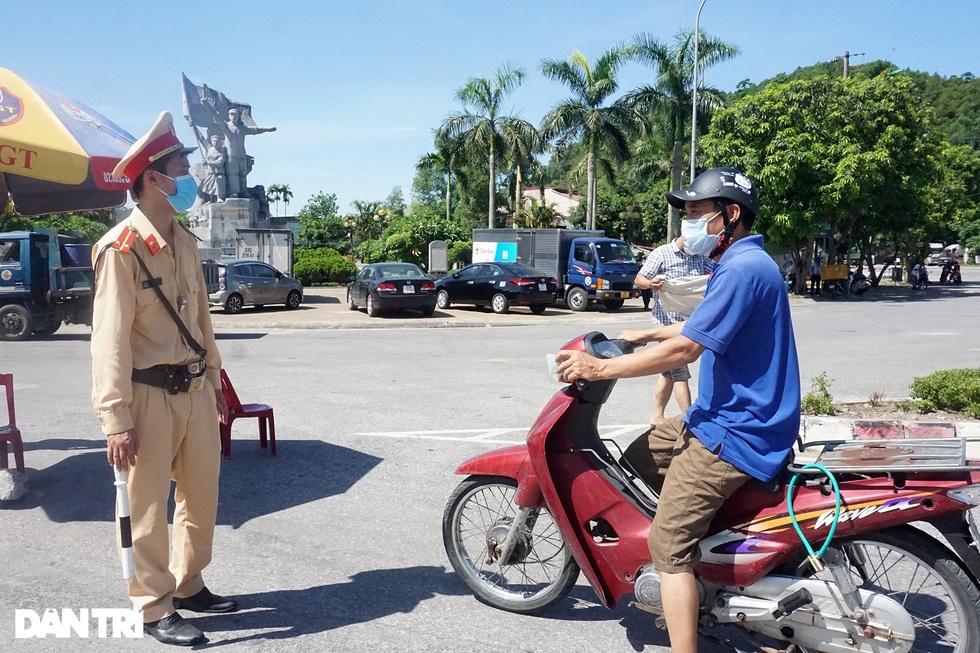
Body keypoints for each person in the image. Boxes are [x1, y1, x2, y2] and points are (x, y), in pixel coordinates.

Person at [556, 167, 801, 653]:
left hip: (735, 433)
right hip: (718, 417)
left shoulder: (741, 268)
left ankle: (682, 599)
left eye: (694, 214)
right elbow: (700, 327)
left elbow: (685, 351)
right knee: (642, 455)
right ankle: (711, 556)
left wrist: (598, 370)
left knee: (665, 546)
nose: (685, 225)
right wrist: (638, 335)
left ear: (729, 216)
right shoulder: (743, 262)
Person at [92, 111, 235, 647]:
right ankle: (153, 607)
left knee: (201, 497)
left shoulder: (185, 241)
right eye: (181, 165)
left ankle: (189, 583)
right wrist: (115, 418)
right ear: (154, 177)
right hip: (147, 393)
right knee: (148, 507)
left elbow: (201, 320)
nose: (189, 174)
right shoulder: (121, 248)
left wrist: (217, 381)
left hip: (195, 389)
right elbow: (107, 339)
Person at [633, 235, 713, 426]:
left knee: (668, 371)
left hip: (689, 324)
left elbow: (715, 275)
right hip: (665, 324)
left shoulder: (700, 257)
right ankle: (691, 419)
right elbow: (640, 279)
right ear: (684, 236)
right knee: (679, 370)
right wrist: (651, 284)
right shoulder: (662, 253)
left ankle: (656, 415)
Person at [212, 106, 276, 198]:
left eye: (235, 115)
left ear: (238, 116)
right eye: (231, 114)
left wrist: (268, 129)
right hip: (231, 155)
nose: (233, 116)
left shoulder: (242, 128)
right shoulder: (226, 127)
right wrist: (206, 104)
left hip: (241, 154)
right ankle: (234, 192)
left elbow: (255, 130)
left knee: (243, 174)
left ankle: (244, 191)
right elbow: (217, 117)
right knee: (233, 175)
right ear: (229, 116)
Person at [200, 133, 227, 203]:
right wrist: (193, 127)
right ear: (212, 142)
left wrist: (208, 162)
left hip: (218, 172)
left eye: (217, 141)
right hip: (210, 172)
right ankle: (211, 199)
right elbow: (201, 138)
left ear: (220, 142)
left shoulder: (222, 152)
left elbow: (219, 163)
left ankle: (219, 198)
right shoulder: (209, 149)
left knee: (219, 184)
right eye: (214, 141)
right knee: (209, 186)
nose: (215, 142)